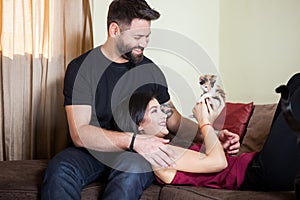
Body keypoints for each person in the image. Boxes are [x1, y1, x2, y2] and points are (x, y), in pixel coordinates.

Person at [41, 0, 240, 199]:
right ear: (114, 30)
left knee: (130, 173)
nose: (144, 43)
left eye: (147, 36)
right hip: (91, 151)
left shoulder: (151, 71)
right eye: (138, 37)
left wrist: (213, 135)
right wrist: (134, 141)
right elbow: (80, 133)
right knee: (61, 169)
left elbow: (175, 121)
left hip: (135, 155)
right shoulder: (81, 68)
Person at [116, 73, 300, 191]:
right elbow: (218, 163)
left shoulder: (165, 148)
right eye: (154, 111)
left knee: (295, 82)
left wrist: (221, 144)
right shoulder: (159, 154)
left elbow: (215, 162)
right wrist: (205, 123)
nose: (165, 113)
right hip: (261, 173)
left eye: (161, 108)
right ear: (138, 125)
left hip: (258, 165)